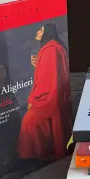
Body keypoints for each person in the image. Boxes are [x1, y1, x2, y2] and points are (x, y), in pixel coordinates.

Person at [18, 22, 72, 161]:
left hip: (49, 99)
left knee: (28, 121)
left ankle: (35, 156)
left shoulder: (49, 50)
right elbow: (50, 74)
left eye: (41, 30)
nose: (37, 32)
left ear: (47, 32)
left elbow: (45, 81)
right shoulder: (55, 48)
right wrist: (38, 65)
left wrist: (33, 100)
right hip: (57, 97)